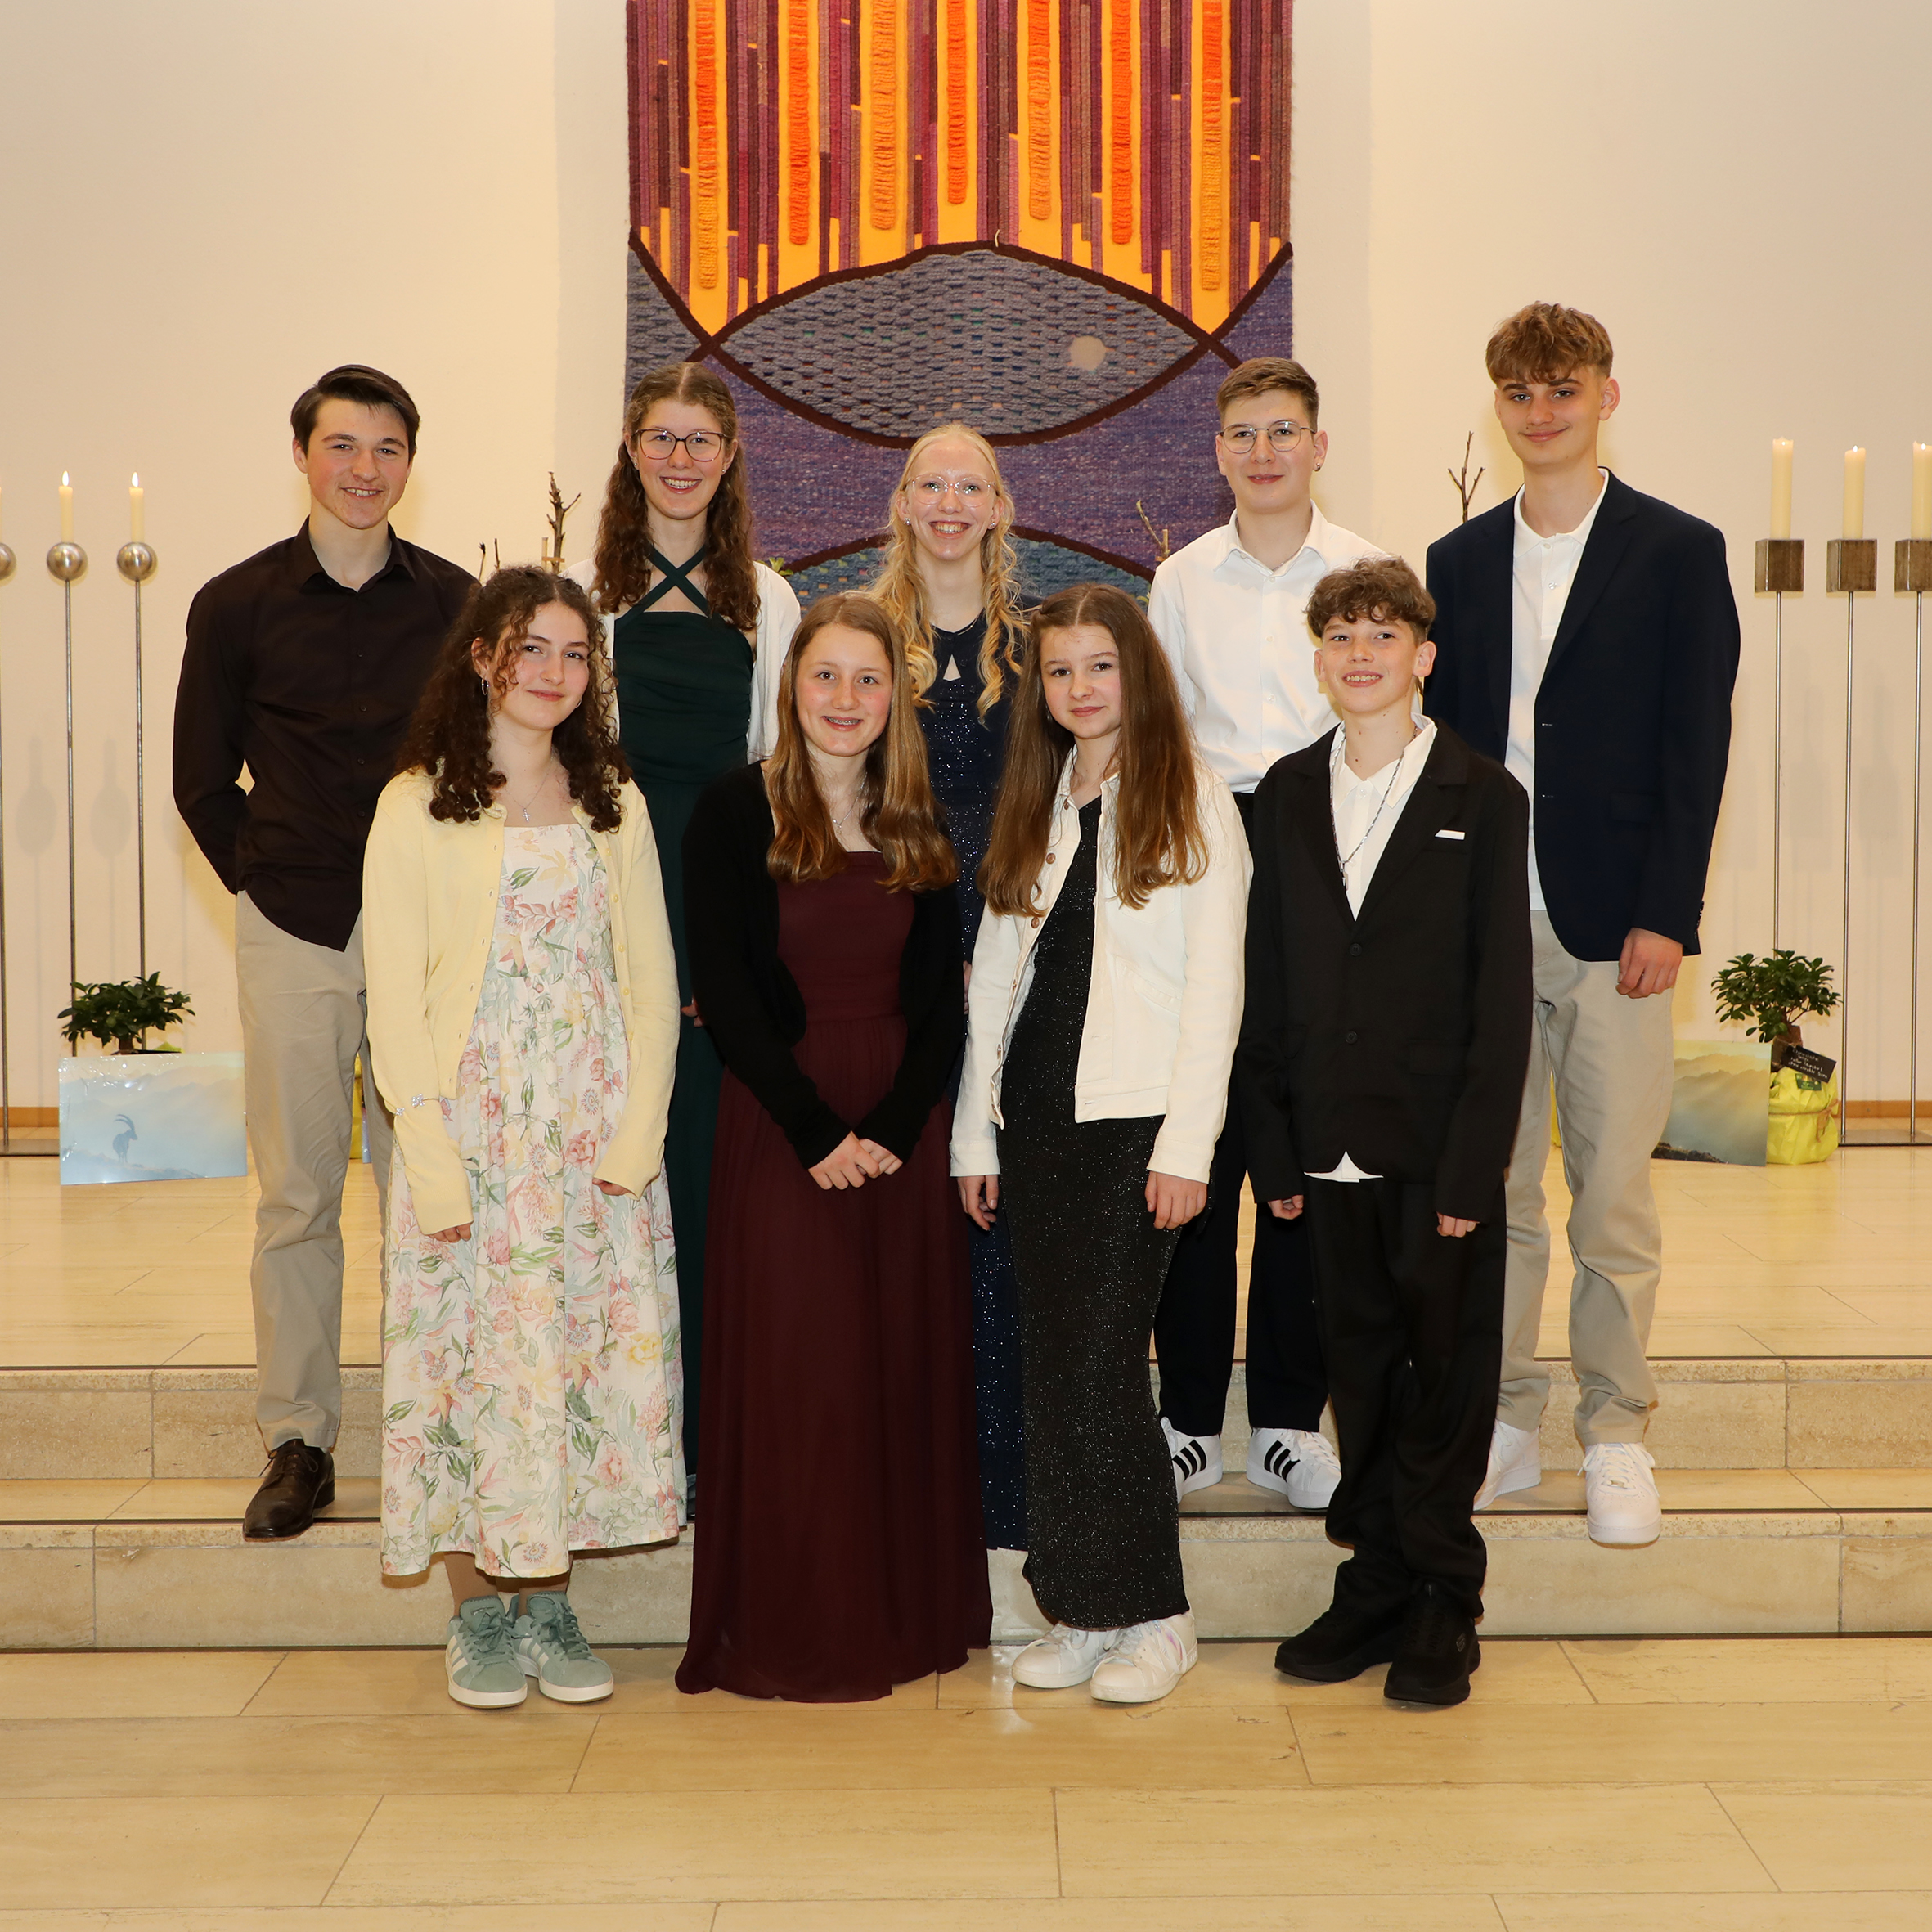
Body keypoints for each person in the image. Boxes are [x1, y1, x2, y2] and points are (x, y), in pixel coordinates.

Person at [1425, 303, 1740, 1547]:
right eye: (1518, 391)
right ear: (1496, 404)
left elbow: (1694, 743)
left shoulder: (1676, 549)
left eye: (1562, 388)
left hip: (1615, 922)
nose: (1540, 411)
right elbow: (1443, 752)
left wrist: (1667, 910)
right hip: (1482, 921)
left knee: (1609, 1194)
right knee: (1492, 1187)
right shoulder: (1456, 560)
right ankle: (1503, 1421)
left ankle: (1615, 1430)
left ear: (1606, 394)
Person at [363, 566, 683, 1710]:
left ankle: (546, 1598)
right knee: (465, 1369)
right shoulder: (416, 804)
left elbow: (651, 984)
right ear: (483, 657)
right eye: (530, 648)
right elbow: (395, 997)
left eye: (574, 652)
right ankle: (473, 1614)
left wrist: (637, 1135)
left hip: (588, 1133)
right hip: (470, 1129)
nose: (553, 671)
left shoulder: (613, 802)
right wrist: (429, 1151)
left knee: (569, 1361)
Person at [173, 365, 477, 1540]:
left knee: (426, 1187)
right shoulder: (236, 603)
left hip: (426, 939)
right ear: (301, 454)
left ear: (411, 464)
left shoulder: (455, 602)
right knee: (298, 1193)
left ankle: (432, 1427)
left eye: (387, 448)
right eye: (343, 445)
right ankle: (299, 1439)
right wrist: (262, 873)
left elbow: (481, 765)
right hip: (295, 924)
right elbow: (201, 781)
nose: (365, 468)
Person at [676, 592, 991, 1701]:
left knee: (892, 1372)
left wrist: (896, 1130)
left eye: (868, 679)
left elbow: (941, 1000)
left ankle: (900, 1620)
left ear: (894, 696)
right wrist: (817, 1131)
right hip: (782, 1124)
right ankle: (793, 1623)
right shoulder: (733, 808)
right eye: (826, 676)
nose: (846, 698)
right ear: (791, 686)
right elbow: (725, 990)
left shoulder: (916, 817)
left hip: (898, 1128)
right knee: (801, 1374)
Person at [1242, 557, 1530, 1708]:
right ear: (1317, 661)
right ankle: (1372, 1581)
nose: (1359, 654)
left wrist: (1473, 1164)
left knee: (1445, 1370)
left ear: (1423, 657)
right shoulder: (1282, 791)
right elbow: (1265, 977)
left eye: (1382, 635)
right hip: (1324, 1140)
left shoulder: (1482, 794)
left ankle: (1443, 1595)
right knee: (1356, 1369)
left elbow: (1500, 999)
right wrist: (1272, 1144)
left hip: (1433, 1143)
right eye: (1339, 636)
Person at [955, 583, 1249, 1705]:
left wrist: (1188, 1145)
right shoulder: (1040, 796)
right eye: (1059, 670)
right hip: (1034, 1116)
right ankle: (1081, 1606)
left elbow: (1217, 989)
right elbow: (994, 979)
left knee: (1103, 1367)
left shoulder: (1191, 797)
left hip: (1136, 1123)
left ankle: (1159, 1615)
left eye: (1100, 666)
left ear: (1138, 673)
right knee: (1053, 1363)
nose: (1079, 688)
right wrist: (973, 1134)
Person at [1147, 356, 1386, 1511]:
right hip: (1209, 851)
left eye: (1283, 430)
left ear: (1318, 445)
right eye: (1242, 433)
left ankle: (1290, 1422)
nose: (1263, 451)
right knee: (1199, 1131)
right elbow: (1157, 733)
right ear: (1218, 452)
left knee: (1302, 1146)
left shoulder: (1367, 572)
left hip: (1329, 853)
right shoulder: (1181, 578)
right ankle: (1189, 1417)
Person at [568, 362, 800, 1497]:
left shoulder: (769, 596)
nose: (679, 458)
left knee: (704, 1164)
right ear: (631, 449)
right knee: (616, 1157)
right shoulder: (585, 595)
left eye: (699, 439)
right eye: (659, 437)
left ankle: (707, 1440)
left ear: (728, 454)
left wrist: (750, 938)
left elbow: (780, 770)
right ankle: (611, 1430)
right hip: (609, 887)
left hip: (713, 889)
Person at [872, 420, 1030, 1551]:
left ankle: (1004, 1478)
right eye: (930, 483)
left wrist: (1008, 933)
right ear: (903, 501)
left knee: (999, 1193)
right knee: (913, 1191)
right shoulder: (863, 636)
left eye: (969, 485)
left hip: (1017, 936)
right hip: (901, 931)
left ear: (998, 506)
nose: (948, 502)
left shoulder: (1038, 643)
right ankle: (908, 1470)